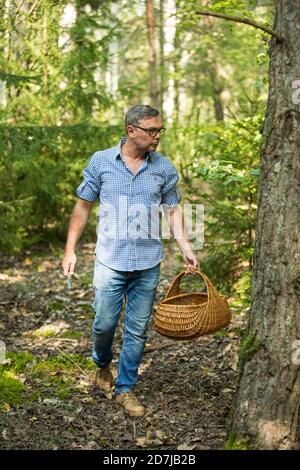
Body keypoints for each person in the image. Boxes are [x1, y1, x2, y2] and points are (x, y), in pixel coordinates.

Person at [62, 104, 199, 417]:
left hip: (148, 262)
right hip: (110, 260)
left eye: (160, 130)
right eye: (151, 130)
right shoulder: (101, 162)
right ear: (131, 131)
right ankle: (101, 366)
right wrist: (70, 249)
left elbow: (173, 211)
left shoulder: (163, 168)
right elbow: (83, 206)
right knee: (104, 323)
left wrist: (186, 246)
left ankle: (125, 388)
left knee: (137, 330)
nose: (157, 136)